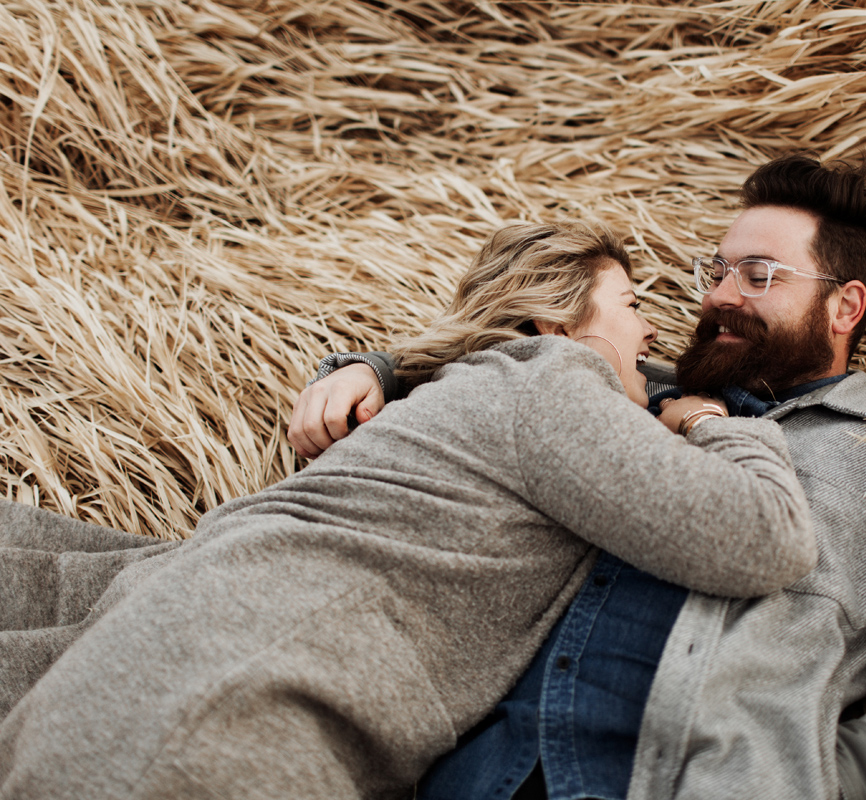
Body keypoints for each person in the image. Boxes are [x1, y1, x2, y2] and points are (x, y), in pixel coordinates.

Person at [290, 153, 866, 800]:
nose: (720, 295)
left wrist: (837, 775)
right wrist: (370, 369)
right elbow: (496, 355)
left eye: (759, 275)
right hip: (485, 776)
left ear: (845, 305)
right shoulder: (623, 386)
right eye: (718, 269)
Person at [0, 223, 818, 800]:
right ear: (555, 321)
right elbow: (763, 537)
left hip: (206, 640)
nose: (649, 334)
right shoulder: (550, 379)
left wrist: (378, 366)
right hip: (234, 685)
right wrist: (715, 424)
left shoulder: (480, 390)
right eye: (632, 304)